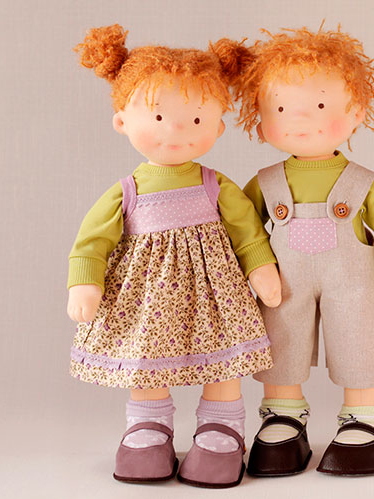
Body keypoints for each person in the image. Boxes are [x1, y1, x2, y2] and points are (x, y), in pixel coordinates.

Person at [67, 24, 281, 488]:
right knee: (146, 354)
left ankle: (220, 428)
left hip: (215, 294)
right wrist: (85, 281)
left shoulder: (215, 184)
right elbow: (92, 241)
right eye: (160, 116)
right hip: (147, 298)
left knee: (224, 357)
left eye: (197, 119)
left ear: (218, 126)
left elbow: (246, 232)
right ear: (122, 121)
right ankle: (148, 426)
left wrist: (261, 268)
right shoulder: (127, 190)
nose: (178, 130)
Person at [235, 25, 374, 476]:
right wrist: (245, 269)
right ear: (261, 115)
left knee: (359, 340)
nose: (299, 119)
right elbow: (242, 231)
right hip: (282, 286)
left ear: (356, 110)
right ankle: (283, 415)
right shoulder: (265, 183)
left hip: (350, 286)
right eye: (281, 109)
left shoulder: (362, 182)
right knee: (280, 338)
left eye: (320, 106)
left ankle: (365, 418)